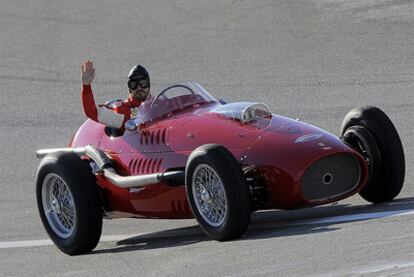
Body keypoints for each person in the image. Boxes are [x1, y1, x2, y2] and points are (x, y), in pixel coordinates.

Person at [80, 60, 151, 134]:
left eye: (143, 83)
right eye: (133, 84)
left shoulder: (159, 104)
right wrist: (86, 86)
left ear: (148, 85)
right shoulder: (122, 111)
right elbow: (92, 112)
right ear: (129, 88)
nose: (139, 87)